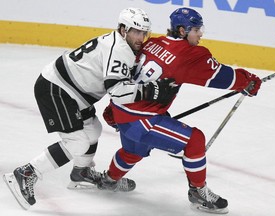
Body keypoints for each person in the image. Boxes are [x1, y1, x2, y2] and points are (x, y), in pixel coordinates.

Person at [3, 7, 173, 210]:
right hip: (57, 90)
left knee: (93, 129)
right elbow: (117, 90)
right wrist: (151, 92)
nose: (141, 37)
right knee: (78, 142)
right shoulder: (119, 50)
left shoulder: (119, 43)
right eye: (136, 31)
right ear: (123, 29)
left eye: (144, 32)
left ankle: (80, 173)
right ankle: (26, 173)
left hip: (73, 92)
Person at [100, 7, 262, 214]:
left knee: (133, 151)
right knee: (194, 140)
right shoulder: (191, 54)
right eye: (196, 29)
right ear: (182, 31)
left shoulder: (154, 42)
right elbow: (222, 77)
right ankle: (198, 192)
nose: (200, 33)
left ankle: (109, 180)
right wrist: (248, 81)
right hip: (142, 120)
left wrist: (115, 107)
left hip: (121, 111)